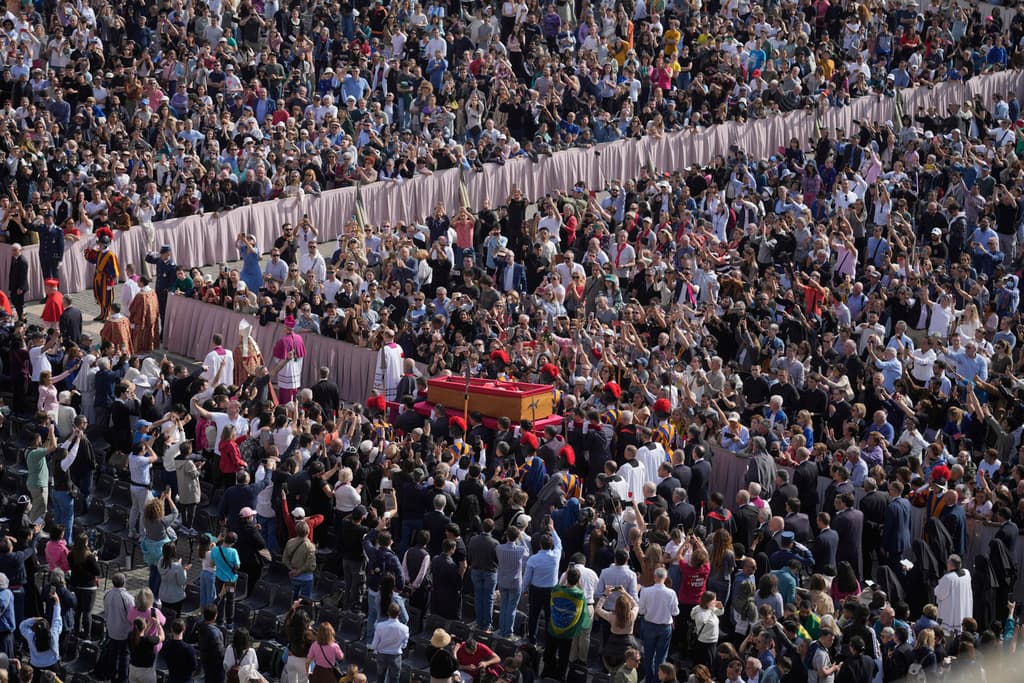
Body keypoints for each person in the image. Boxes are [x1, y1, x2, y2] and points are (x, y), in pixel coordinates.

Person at [638, 567, 678, 683]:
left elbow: (641, 611)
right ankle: (657, 680)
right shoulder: (671, 593)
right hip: (665, 627)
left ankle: (649, 679)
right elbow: (675, 612)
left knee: (648, 656)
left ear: (655, 577)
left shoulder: (646, 591)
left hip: (649, 626)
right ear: (665, 578)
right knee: (661, 657)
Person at [19, 594, 62, 683]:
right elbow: (57, 620)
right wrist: (57, 602)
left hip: (36, 666)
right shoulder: (53, 635)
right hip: (52, 665)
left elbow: (22, 625)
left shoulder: (31, 636)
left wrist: (34, 619)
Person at [371, 602, 409, 683]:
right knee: (394, 679)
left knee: (380, 678)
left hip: (382, 655)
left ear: (388, 612)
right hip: (396, 656)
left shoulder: (380, 626)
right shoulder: (405, 628)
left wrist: (375, 649)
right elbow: (404, 645)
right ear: (399, 613)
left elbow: (374, 644)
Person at [935, 554, 973, 627]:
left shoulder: (948, 578)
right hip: (964, 608)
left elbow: (940, 594)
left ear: (950, 564)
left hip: (952, 614)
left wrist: (937, 587)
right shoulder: (967, 573)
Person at [283, 520, 317, 600]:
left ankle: (292, 612)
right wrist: (299, 571)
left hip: (293, 576)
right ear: (308, 531)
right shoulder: (310, 546)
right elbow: (310, 565)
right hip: (306, 578)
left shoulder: (290, 542)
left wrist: (292, 569)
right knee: (305, 601)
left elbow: (285, 559)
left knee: (292, 599)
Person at [128, 613, 165, 683]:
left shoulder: (130, 636)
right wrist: (158, 624)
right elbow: (162, 637)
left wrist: (149, 624)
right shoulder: (148, 640)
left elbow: (141, 634)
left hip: (133, 670)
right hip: (146, 672)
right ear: (144, 627)